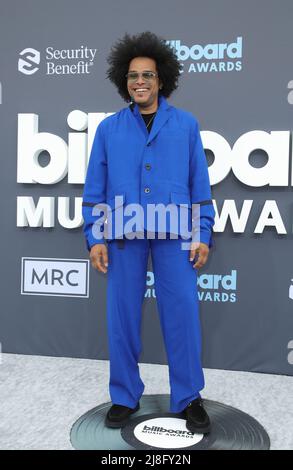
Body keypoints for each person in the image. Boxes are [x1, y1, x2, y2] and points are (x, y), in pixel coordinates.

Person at [82, 31, 215, 434]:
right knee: (121, 317)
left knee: (183, 316)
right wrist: (95, 236)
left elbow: (200, 186)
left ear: (162, 80)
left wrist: (202, 233)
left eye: (148, 75)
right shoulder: (108, 129)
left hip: (176, 235)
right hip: (122, 234)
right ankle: (124, 395)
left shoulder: (186, 125)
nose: (140, 82)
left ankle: (189, 397)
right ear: (124, 82)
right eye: (133, 76)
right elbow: (95, 187)